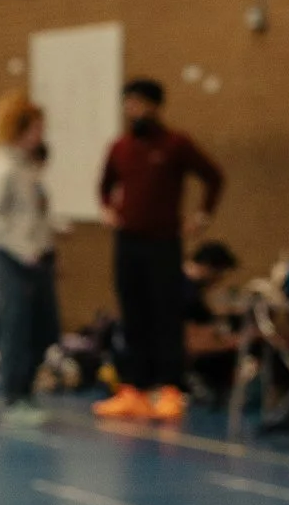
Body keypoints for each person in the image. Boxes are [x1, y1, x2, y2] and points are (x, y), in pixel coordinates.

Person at [94, 78, 225, 422]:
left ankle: (169, 390)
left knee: (166, 315)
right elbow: (105, 185)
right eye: (127, 103)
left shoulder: (175, 145)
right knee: (132, 314)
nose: (131, 110)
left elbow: (214, 176)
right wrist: (108, 208)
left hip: (163, 242)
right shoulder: (120, 147)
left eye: (137, 103)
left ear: (154, 105)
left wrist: (201, 217)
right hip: (128, 242)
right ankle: (132, 389)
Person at [0, 90, 59, 427]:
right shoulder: (2, 169)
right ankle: (14, 396)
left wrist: (50, 234)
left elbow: (31, 215)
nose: (40, 136)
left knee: (44, 327)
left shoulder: (29, 168)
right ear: (18, 129)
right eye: (35, 129)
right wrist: (21, 250)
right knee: (16, 325)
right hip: (11, 258)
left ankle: (28, 389)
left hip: (37, 256)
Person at [183, 239, 241, 405]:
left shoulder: (185, 287)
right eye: (220, 274)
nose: (219, 280)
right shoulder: (187, 293)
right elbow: (190, 342)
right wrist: (237, 342)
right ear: (209, 268)